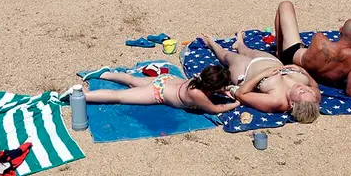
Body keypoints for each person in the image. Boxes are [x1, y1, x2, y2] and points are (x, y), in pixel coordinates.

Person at [200, 32, 320, 123]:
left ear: (292, 104)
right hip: (270, 61)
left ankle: (213, 45)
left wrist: (262, 75)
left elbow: (241, 94)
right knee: (247, 50)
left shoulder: (276, 101)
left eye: (301, 92)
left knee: (227, 56)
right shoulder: (313, 98)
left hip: (246, 70)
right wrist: (302, 70)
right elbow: (314, 85)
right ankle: (240, 44)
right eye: (307, 90)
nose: (303, 88)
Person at [275, 1, 351, 97]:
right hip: (320, 78)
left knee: (285, 5)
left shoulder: (319, 39)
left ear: (340, 29)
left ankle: (279, 55)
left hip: (292, 59)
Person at [68, 65, 241, 114]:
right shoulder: (197, 94)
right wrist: (236, 103)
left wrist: (220, 90)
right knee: (119, 96)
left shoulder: (198, 80)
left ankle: (104, 74)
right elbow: (215, 109)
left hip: (167, 80)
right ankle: (80, 95)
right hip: (160, 92)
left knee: (132, 79)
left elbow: (211, 86)